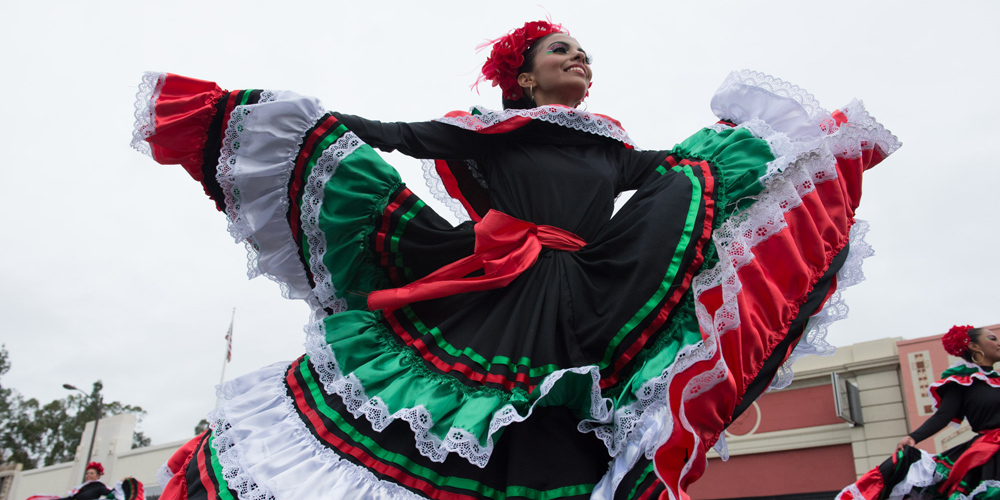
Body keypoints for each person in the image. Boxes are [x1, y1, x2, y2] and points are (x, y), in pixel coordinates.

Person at [134, 20, 898, 500]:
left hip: (584, 297)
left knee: (558, 429)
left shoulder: (611, 147)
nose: (582, 60)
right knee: (464, 422)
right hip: (498, 289)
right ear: (526, 77)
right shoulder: (492, 131)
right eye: (563, 51)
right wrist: (307, 122)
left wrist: (798, 151)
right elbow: (391, 134)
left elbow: (681, 181)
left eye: (586, 52)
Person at [837, 326, 1000, 500]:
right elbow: (943, 416)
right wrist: (913, 437)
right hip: (990, 451)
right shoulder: (962, 382)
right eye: (992, 339)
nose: (998, 342)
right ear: (974, 346)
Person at [26, 462, 144, 500]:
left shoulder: (98, 486)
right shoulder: (80, 488)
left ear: (98, 476)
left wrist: (122, 483)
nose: (88, 476)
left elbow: (111, 494)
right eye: (87, 474)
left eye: (91, 474)